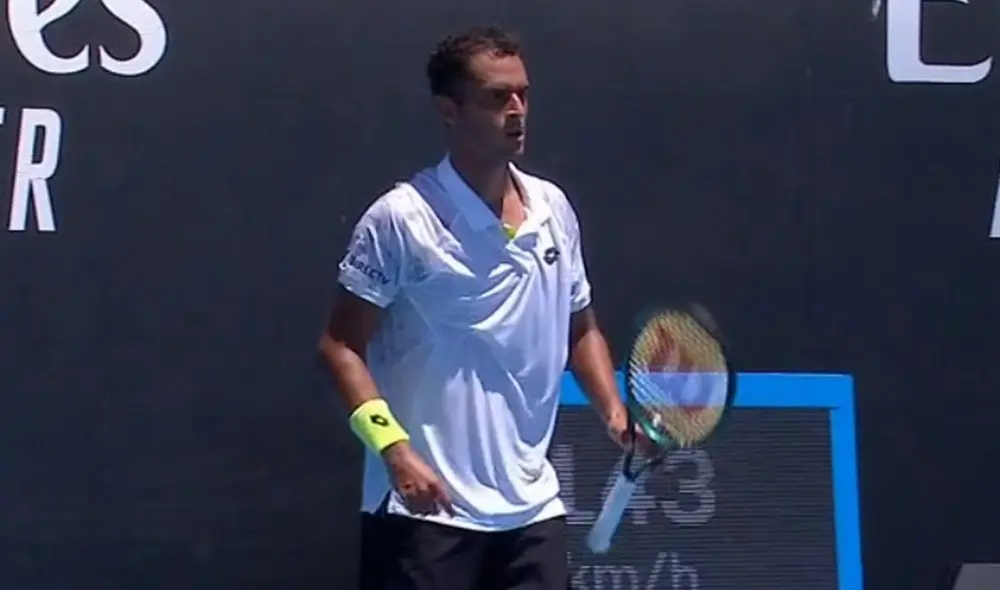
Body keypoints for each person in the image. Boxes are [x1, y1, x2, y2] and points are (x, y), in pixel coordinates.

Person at [318, 25, 636, 590]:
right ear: (449, 110)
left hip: (533, 512)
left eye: (523, 95)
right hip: (426, 514)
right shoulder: (401, 218)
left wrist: (612, 410)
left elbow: (580, 327)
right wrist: (394, 449)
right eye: (496, 97)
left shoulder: (554, 210)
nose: (516, 110)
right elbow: (340, 346)